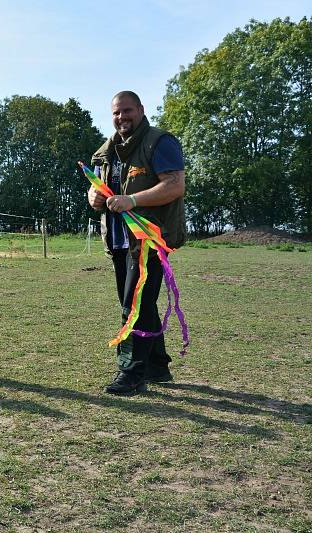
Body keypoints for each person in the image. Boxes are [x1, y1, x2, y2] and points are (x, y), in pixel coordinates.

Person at [87, 90, 186, 395]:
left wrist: (131, 200)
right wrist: (94, 199)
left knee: (135, 305)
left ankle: (131, 372)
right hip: (118, 241)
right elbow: (100, 191)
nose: (122, 117)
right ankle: (157, 365)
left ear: (141, 109)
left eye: (127, 110)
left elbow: (174, 185)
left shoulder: (159, 142)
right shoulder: (107, 151)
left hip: (150, 240)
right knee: (138, 302)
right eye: (116, 112)